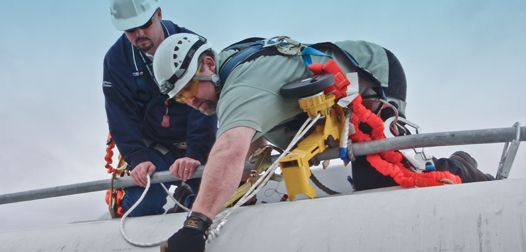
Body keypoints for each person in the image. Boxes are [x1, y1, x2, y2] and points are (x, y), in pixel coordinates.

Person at [152, 34, 493, 251]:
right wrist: (203, 201)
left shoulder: (240, 88)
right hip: (331, 99)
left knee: (379, 180)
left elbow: (229, 150)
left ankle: (460, 165)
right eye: (179, 98)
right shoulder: (231, 77)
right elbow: (245, 155)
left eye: (189, 89)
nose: (189, 101)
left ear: (208, 65)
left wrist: (196, 225)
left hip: (373, 77)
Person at [102, 0, 217, 217]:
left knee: (220, 198)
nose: (139, 33)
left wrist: (196, 153)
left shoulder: (192, 43)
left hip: (195, 141)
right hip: (152, 149)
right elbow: (120, 115)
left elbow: (205, 104)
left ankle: (189, 199)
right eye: (130, 29)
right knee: (143, 207)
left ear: (159, 14)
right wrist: (137, 158)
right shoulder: (116, 60)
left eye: (145, 24)